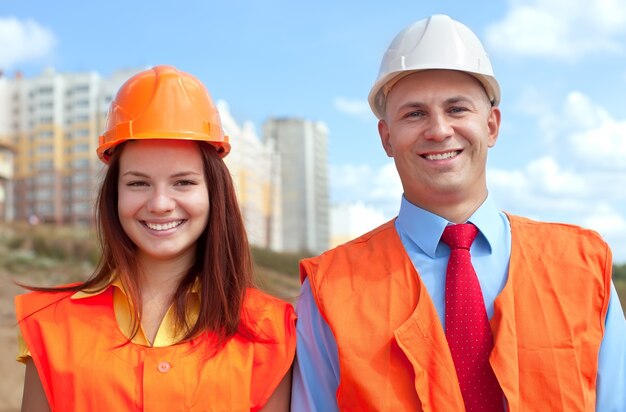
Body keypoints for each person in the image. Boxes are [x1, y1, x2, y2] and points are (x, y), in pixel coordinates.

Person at [291, 14, 626, 411]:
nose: (438, 130)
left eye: (457, 109)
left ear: (492, 126)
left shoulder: (583, 266)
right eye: (414, 113)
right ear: (386, 138)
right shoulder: (329, 290)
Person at [15, 65, 296, 411]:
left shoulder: (270, 329)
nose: (160, 204)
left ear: (214, 193)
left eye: (183, 182)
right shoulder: (50, 323)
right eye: (138, 183)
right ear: (114, 194)